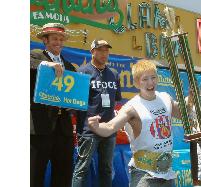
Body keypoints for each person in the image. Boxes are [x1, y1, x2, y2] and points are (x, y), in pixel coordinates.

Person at [87, 60, 192, 187]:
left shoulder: (165, 98)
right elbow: (111, 127)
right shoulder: (132, 107)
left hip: (167, 173)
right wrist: (97, 126)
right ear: (137, 83)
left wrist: (191, 99)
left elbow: (183, 114)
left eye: (153, 77)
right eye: (145, 79)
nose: (150, 83)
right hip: (144, 174)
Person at [30, 23, 77, 187]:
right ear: (45, 40)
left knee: (63, 174)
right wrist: (47, 65)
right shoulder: (35, 56)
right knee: (34, 173)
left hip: (63, 129)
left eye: (61, 39)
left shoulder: (70, 66)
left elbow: (73, 96)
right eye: (55, 38)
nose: (58, 42)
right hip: (40, 127)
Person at [72, 39, 122, 187]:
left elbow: (116, 100)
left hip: (109, 130)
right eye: (100, 50)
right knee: (82, 169)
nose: (104, 53)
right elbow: (75, 101)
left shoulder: (113, 73)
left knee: (106, 169)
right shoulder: (82, 72)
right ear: (92, 51)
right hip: (88, 130)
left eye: (106, 50)